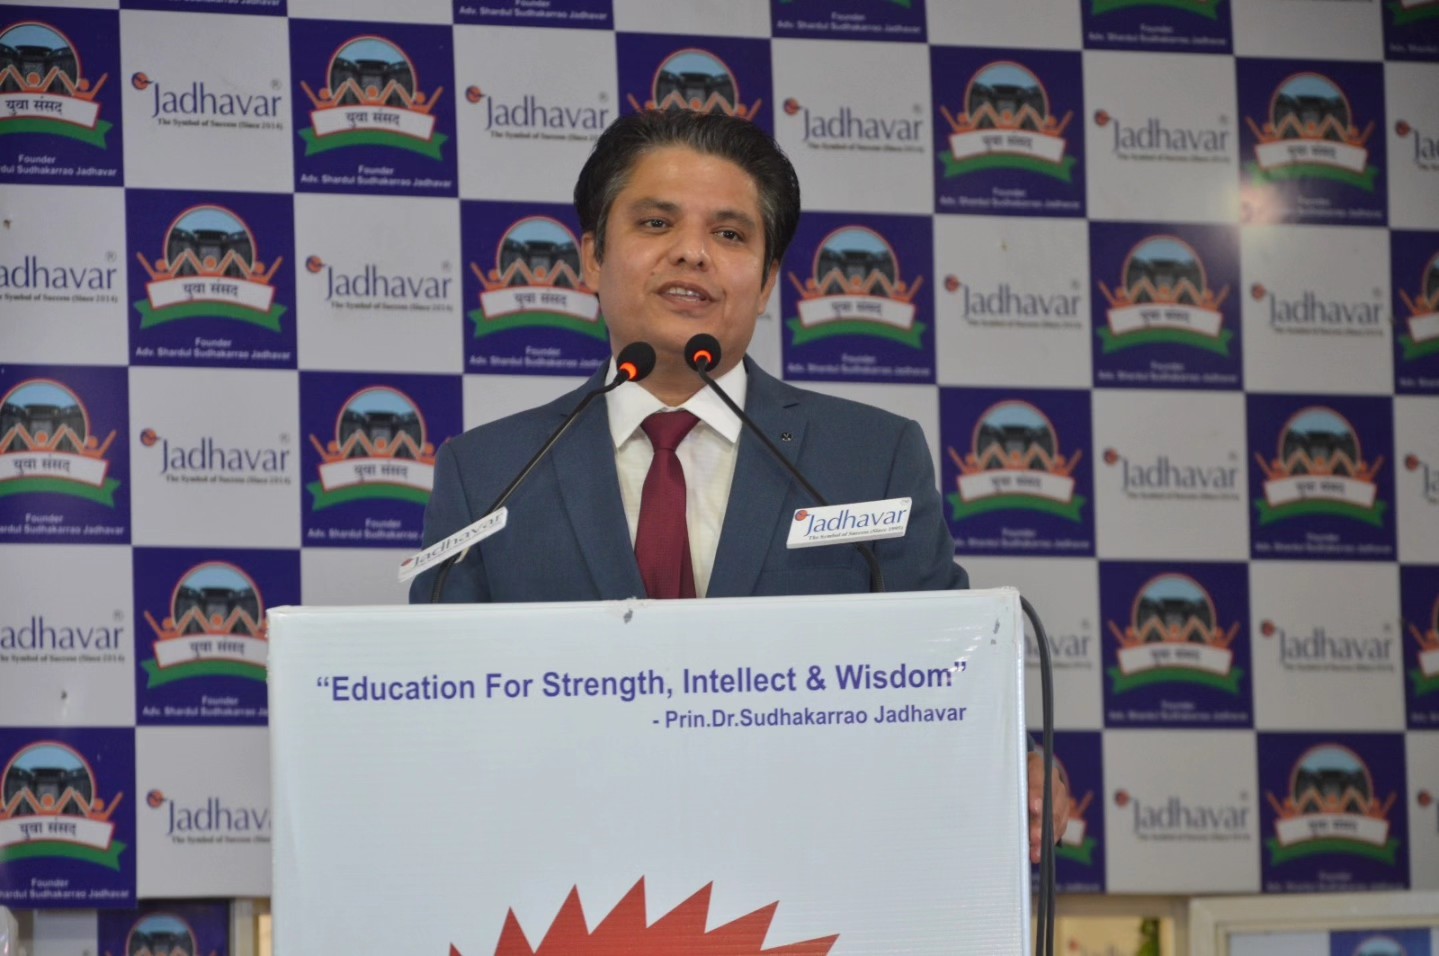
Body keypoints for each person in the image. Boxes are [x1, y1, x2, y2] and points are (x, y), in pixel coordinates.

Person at [410, 108, 1067, 858]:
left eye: (729, 234)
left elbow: (946, 668)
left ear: (766, 282)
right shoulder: (489, 471)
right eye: (656, 223)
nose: (692, 253)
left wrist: (1009, 761)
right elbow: (440, 706)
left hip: (814, 865)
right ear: (591, 258)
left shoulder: (869, 457)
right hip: (565, 872)